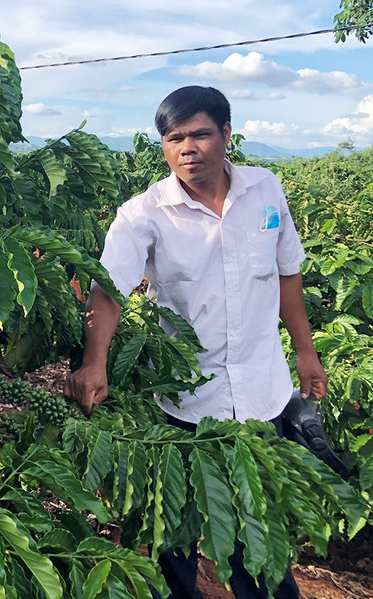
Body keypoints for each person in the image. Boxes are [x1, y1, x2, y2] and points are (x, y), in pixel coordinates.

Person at [64, 86, 327, 599]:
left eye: (200, 134)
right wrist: (95, 361)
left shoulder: (266, 190)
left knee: (258, 534)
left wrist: (306, 349)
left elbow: (286, 273)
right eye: (174, 137)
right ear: (163, 146)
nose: (187, 148)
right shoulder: (143, 214)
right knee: (174, 535)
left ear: (226, 135)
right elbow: (109, 289)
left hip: (262, 397)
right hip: (185, 405)